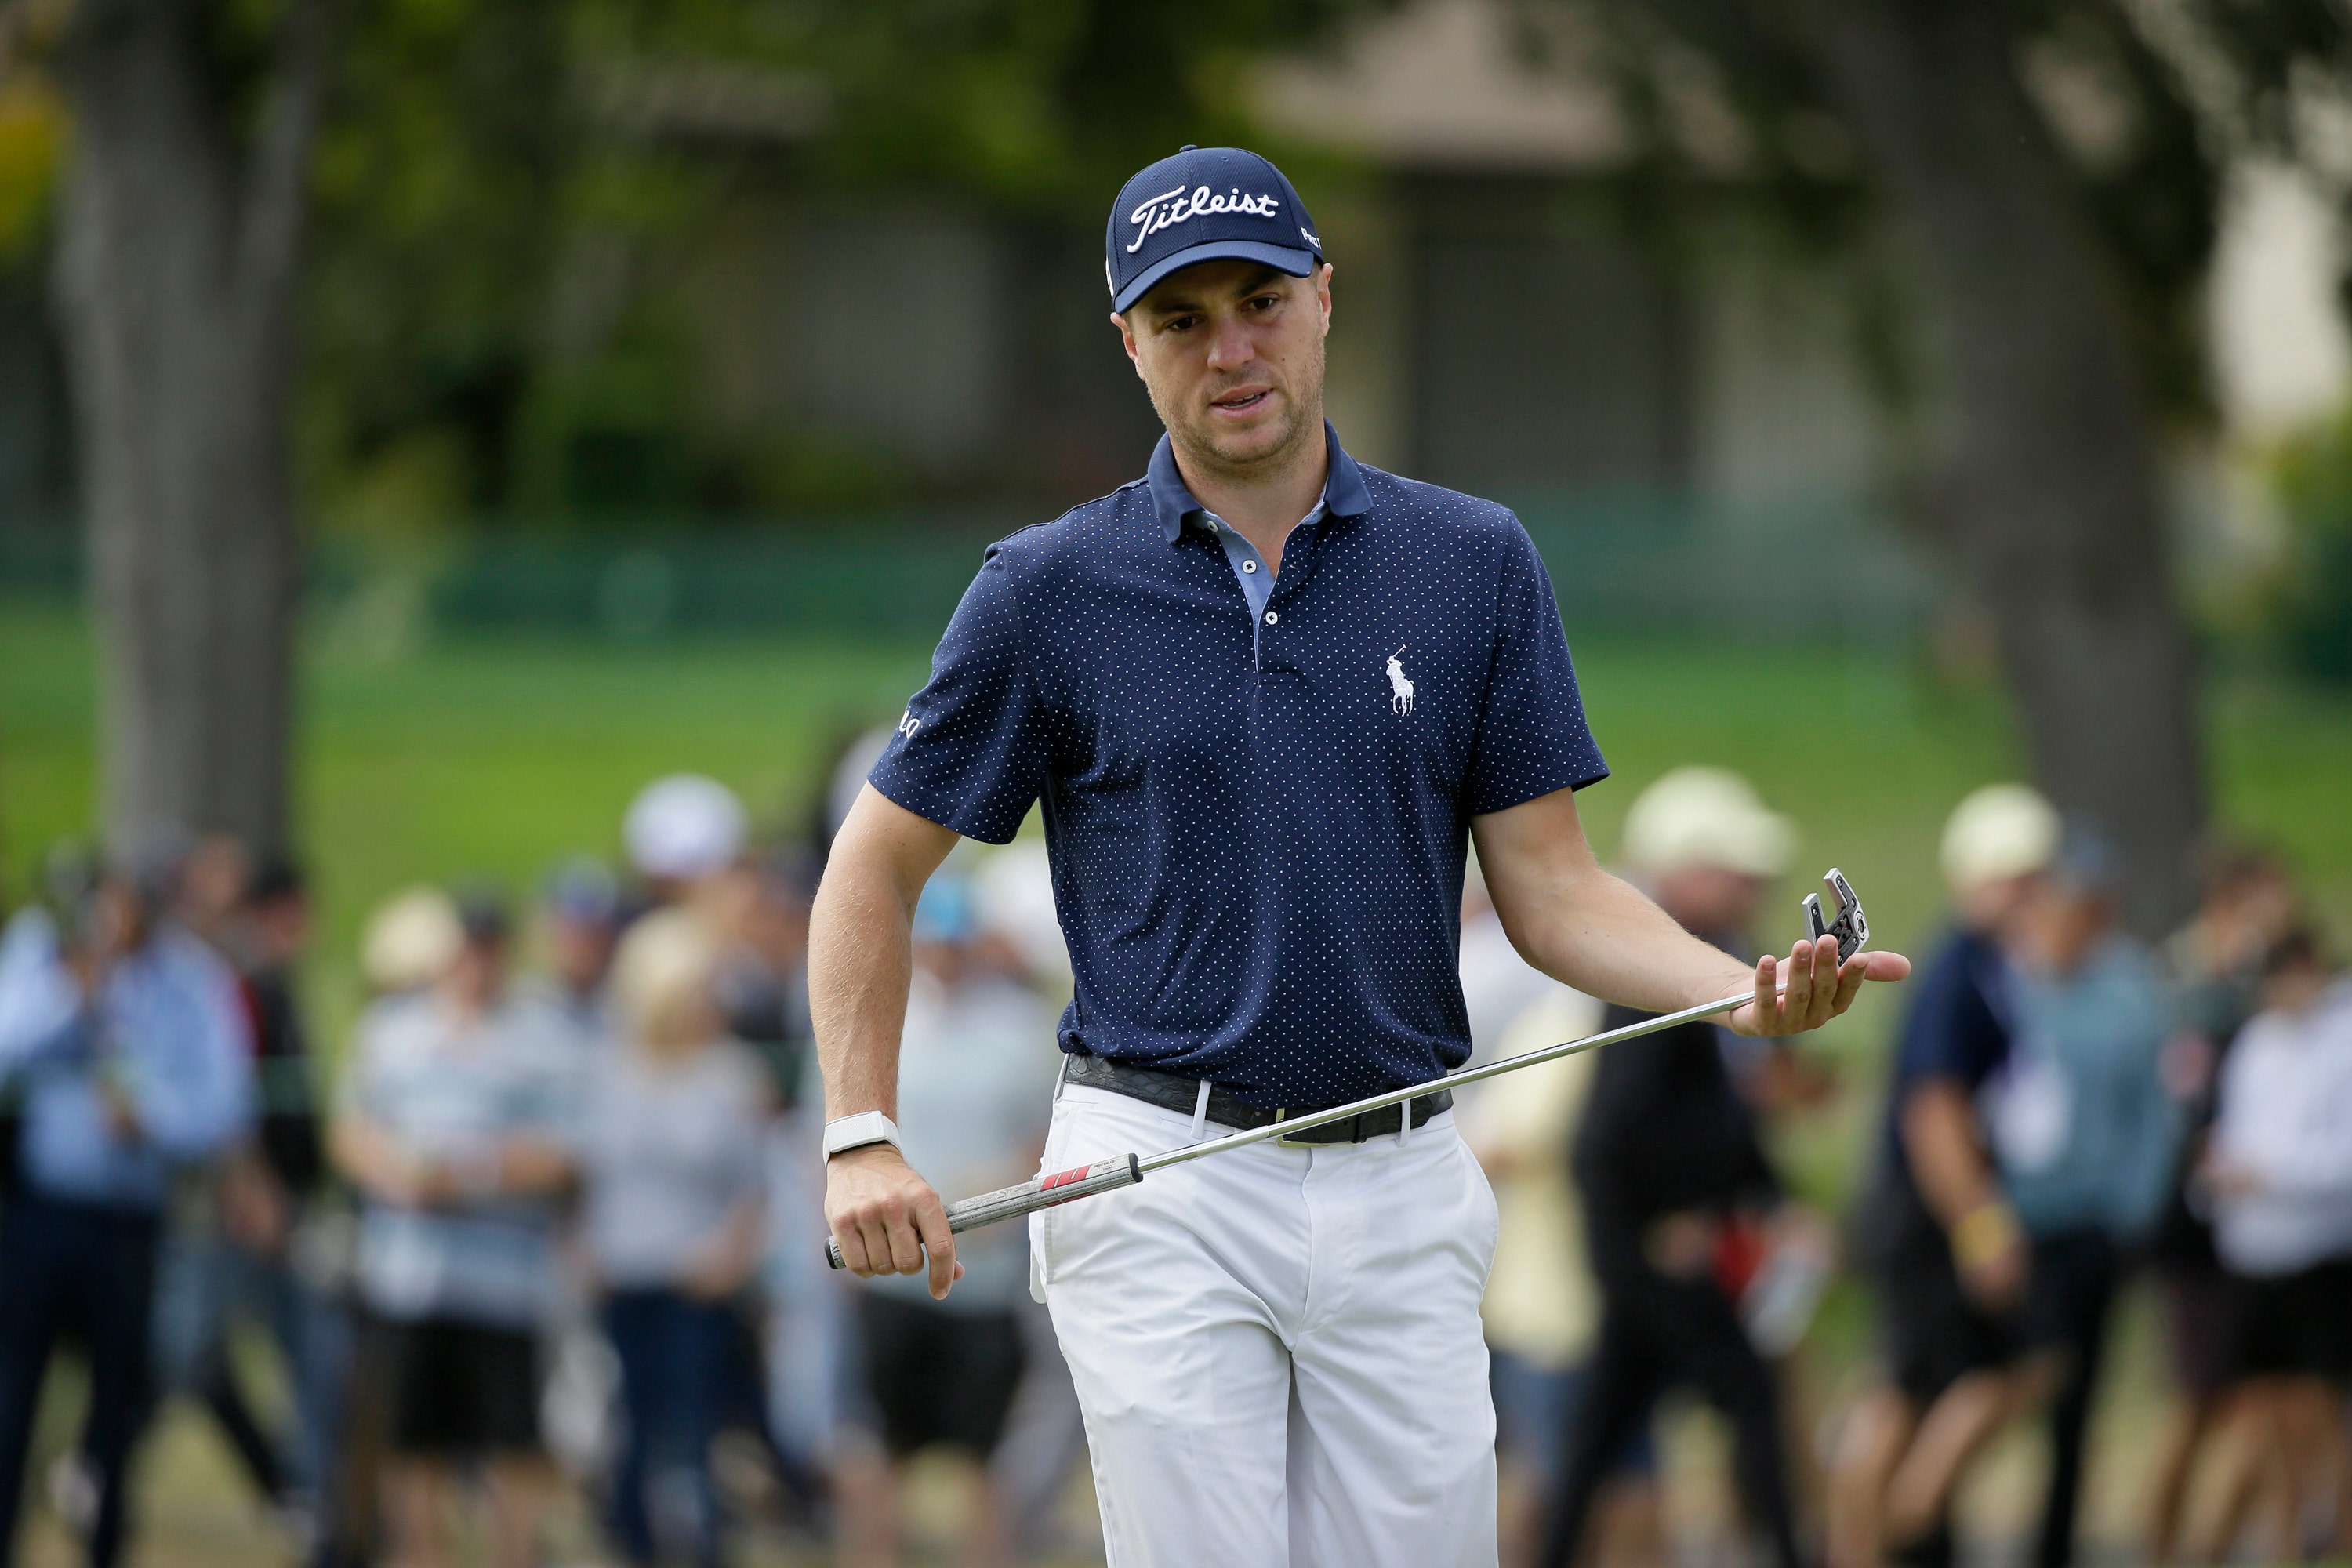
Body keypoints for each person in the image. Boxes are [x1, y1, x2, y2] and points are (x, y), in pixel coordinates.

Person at [812, 143, 1907, 1568]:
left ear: (1327, 298)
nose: (1231, 351)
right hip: (1158, 1173)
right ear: (1129, 343)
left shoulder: (1473, 562)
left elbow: (1556, 889)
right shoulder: (1049, 591)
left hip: (1405, 1180)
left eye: (1260, 301)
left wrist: (1739, 987)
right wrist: (859, 1135)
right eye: (1182, 319)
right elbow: (871, 870)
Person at [1537, 768, 1813, 1568]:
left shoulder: (1709, 967)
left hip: (1651, 1242)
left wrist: (1767, 1196)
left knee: (1600, 1431)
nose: (1753, 885)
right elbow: (1617, 1129)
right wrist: (1659, 1227)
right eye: (1735, 868)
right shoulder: (1654, 981)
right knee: (1751, 1396)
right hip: (1653, 1245)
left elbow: (1717, 1122)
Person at [0, 848, 256, 1568]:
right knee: (14, 1394)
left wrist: (153, 1119)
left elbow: (225, 1102)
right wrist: (74, 992)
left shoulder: (190, 981)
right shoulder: (43, 951)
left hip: (132, 1222)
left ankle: (105, 1545)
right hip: (39, 1215)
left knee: (121, 1400)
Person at [1828, 784, 2058, 1568]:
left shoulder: (1994, 966)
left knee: (1947, 1384)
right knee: (1911, 1391)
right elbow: (1935, 1111)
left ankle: (1900, 1528)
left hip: (1934, 1210)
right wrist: (1980, 1224)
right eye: (2019, 877)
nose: (2035, 893)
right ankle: (1876, 1536)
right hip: (1927, 1210)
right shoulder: (1959, 970)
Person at [331, 892, 581, 1568]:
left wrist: (467, 1173)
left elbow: (565, 1152)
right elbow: (351, 1129)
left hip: (504, 1282)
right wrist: (397, 1174)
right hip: (409, 1276)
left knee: (510, 1444)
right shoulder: (392, 1030)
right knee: (413, 1443)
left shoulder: (543, 1036)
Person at [848, 873, 1059, 1568]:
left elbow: (1042, 1136)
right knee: (880, 1450)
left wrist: (1001, 1191)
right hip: (892, 1276)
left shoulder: (1016, 1025)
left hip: (984, 1275)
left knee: (984, 1456)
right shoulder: (890, 1019)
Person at [1982, 830, 2177, 1568]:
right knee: (1993, 1384)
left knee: (2073, 1398)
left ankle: (2052, 1547)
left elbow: (2152, 1114)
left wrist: (2131, 1213)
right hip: (2008, 1219)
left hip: (2090, 1223)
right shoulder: (2006, 975)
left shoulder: (2129, 987)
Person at [583, 909, 771, 1568]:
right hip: (623, 1277)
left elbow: (756, 1187)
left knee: (692, 1433)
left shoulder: (732, 1076)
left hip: (697, 1282)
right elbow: (590, 1177)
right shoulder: (611, 1071)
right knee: (631, 1428)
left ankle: (700, 1549)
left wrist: (730, 1257)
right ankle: (635, 1547)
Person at [2144, 850, 2299, 1561]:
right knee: (2202, 1400)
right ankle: (2164, 1545)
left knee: (2257, 1400)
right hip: (2194, 1222)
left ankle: (2216, 1547)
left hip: (2252, 1222)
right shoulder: (2185, 986)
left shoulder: (2250, 984)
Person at [2190, 930, 2352, 1562]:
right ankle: (2284, 1540)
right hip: (2253, 1253)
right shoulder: (2258, 1044)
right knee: (2262, 1412)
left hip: (2318, 1253)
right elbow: (2234, 1133)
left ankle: (2338, 1534)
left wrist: (2269, 1174)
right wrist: (2219, 1177)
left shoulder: (2342, 1040)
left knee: (2317, 1409)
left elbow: (2340, 1156)